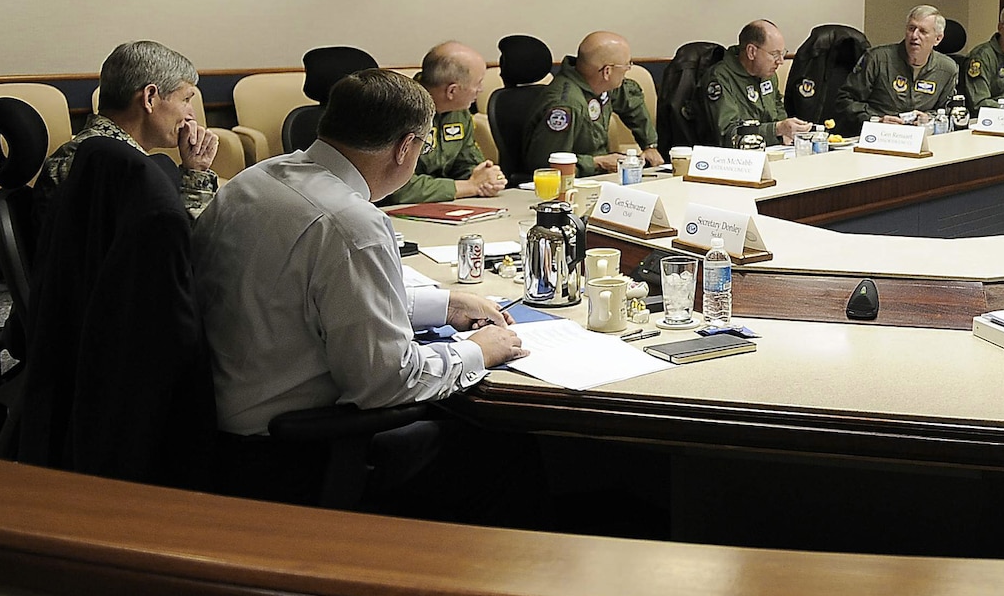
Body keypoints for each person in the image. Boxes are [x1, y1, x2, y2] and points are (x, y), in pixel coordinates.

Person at [194, 68, 528, 511]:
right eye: (423, 145)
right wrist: (479, 352)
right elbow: (386, 381)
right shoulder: (351, 222)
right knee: (509, 447)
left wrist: (444, 305)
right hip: (291, 451)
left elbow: (313, 297)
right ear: (406, 148)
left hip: (213, 424)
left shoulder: (256, 180)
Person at [40, 40, 220, 221]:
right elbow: (184, 244)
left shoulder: (90, 155)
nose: (191, 116)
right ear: (149, 98)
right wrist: (196, 181)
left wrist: (195, 169)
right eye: (186, 100)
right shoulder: (111, 168)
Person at [522, 30, 666, 176]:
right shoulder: (566, 105)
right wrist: (597, 162)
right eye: (627, 65)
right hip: (574, 183)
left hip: (598, 177)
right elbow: (546, 165)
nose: (628, 70)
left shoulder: (599, 85)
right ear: (607, 72)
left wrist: (650, 145)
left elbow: (630, 101)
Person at [384, 41, 507, 204]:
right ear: (452, 91)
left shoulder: (460, 113)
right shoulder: (399, 112)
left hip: (443, 208)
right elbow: (398, 189)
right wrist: (470, 186)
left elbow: (467, 164)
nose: (481, 89)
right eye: (477, 83)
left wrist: (487, 178)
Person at [836, 5, 960, 131]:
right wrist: (876, 120)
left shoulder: (947, 69)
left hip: (920, 138)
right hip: (877, 135)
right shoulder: (877, 59)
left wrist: (929, 118)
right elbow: (844, 101)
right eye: (911, 28)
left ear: (937, 39)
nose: (914, 35)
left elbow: (947, 111)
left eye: (923, 31)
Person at [706, 20, 804, 146]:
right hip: (734, 159)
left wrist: (787, 132)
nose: (780, 61)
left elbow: (779, 113)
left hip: (771, 151)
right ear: (751, 52)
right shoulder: (720, 78)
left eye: (782, 53)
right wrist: (776, 130)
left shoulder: (768, 75)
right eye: (774, 54)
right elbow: (728, 134)